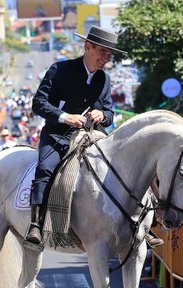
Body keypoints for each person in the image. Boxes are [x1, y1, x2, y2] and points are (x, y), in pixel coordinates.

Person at [26, 25, 121, 244]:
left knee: (121, 167)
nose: (106, 58)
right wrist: (64, 117)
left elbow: (109, 113)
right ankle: (37, 224)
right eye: (103, 52)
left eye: (109, 54)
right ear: (88, 47)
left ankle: (137, 223)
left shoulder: (104, 79)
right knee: (46, 167)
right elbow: (38, 103)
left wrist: (103, 115)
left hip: (91, 137)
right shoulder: (59, 70)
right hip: (59, 134)